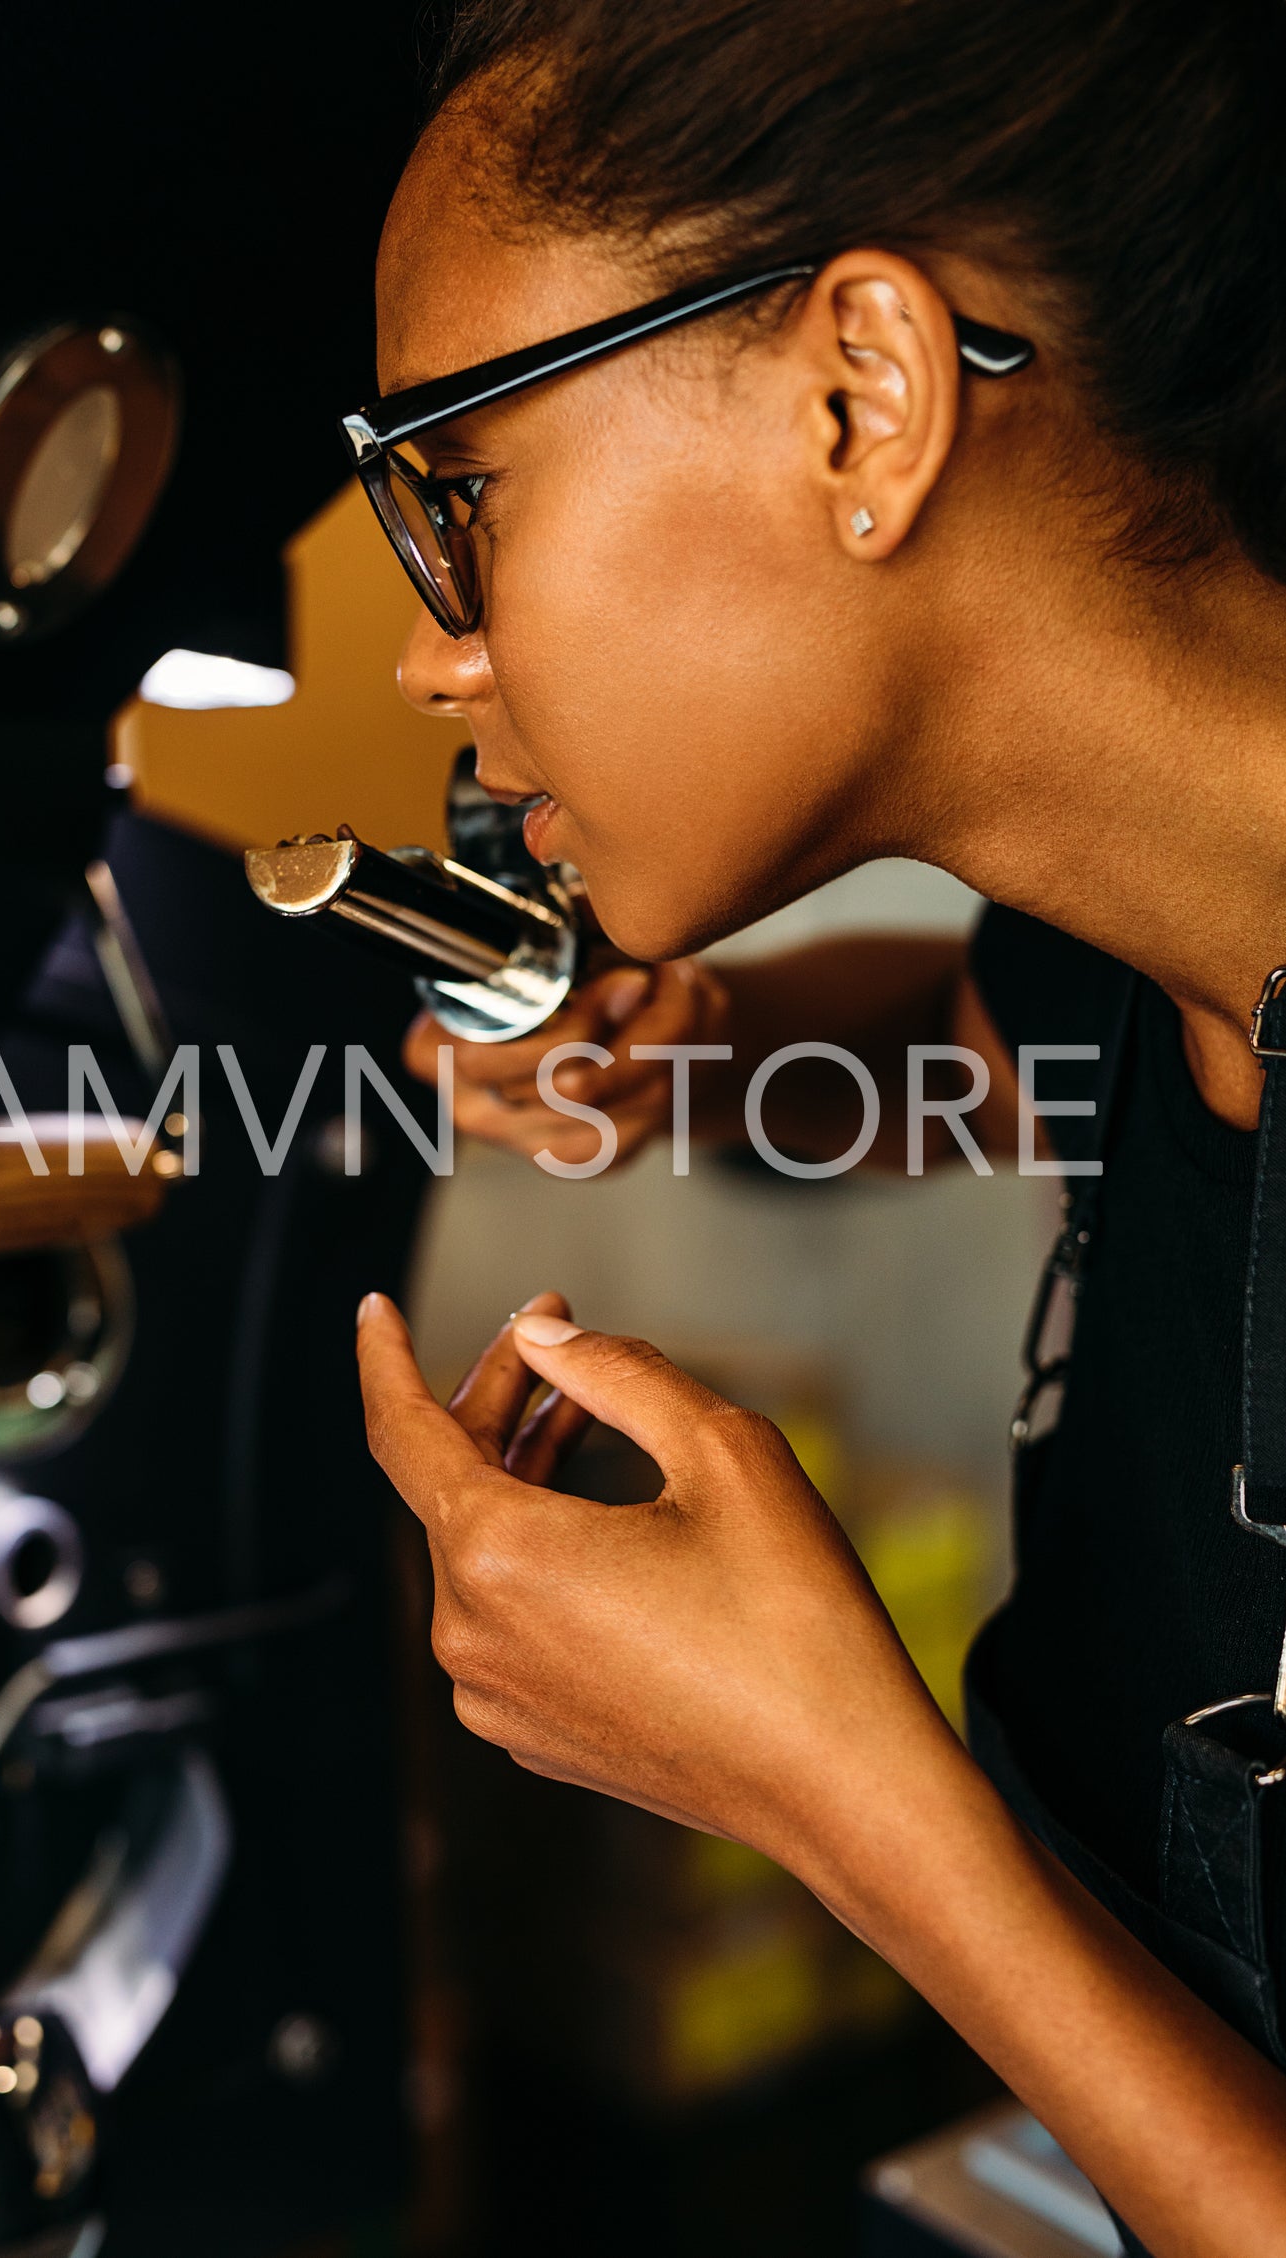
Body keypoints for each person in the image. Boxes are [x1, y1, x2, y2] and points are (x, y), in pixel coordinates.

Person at [350, 4, 1286, 2250]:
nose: (427, 658)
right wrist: (703, 1055)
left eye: (458, 496)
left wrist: (842, 1792)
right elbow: (1017, 1072)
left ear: (863, 399)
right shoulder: (1120, 934)